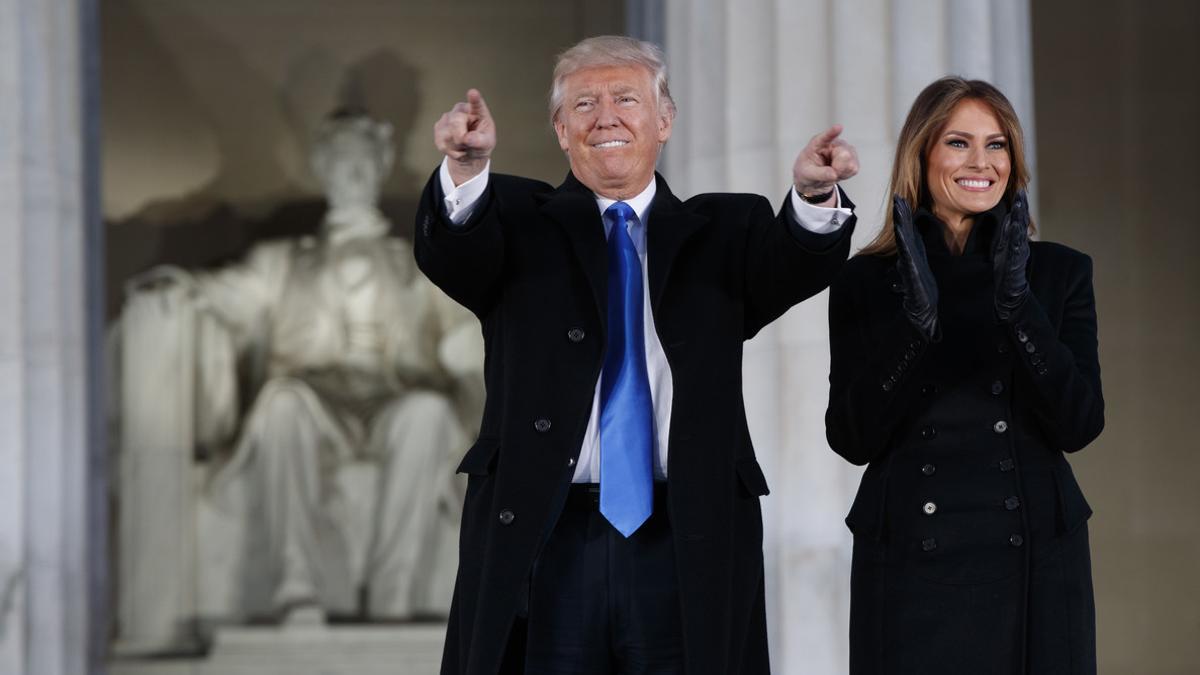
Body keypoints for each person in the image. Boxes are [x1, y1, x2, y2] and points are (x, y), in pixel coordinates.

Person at [416, 36, 859, 674]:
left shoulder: (725, 230)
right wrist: (463, 169)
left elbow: (790, 266)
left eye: (626, 99)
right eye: (584, 104)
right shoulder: (515, 220)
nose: (606, 117)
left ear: (664, 120)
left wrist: (814, 199)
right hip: (550, 533)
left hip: (686, 532)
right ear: (561, 130)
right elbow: (455, 252)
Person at [117, 109, 481, 628]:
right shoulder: (281, 261)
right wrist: (175, 289)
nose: (353, 172)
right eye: (341, 160)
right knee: (281, 404)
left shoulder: (423, 263)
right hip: (313, 401)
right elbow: (223, 295)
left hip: (396, 397)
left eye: (363, 161)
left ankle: (394, 591)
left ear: (380, 168)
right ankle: (296, 586)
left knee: (428, 413)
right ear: (323, 169)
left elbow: (471, 326)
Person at [825, 77, 1104, 674]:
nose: (982, 163)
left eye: (997, 145)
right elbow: (851, 438)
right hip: (907, 567)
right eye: (959, 143)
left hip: (1035, 563)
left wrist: (1018, 306)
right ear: (921, 154)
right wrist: (914, 325)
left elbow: (1080, 423)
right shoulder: (865, 282)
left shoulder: (1060, 273)